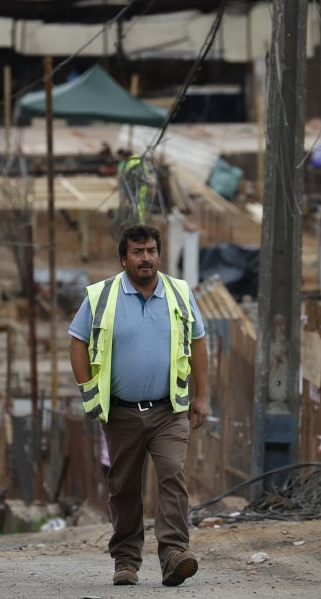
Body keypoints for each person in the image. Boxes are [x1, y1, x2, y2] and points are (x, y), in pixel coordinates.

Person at [68, 224, 209, 587]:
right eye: (137, 252)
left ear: (159, 255)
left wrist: (201, 395)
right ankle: (126, 561)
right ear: (123, 258)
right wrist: (88, 391)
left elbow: (198, 342)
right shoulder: (101, 296)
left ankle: (175, 554)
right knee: (124, 485)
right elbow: (77, 341)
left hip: (169, 410)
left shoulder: (179, 293)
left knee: (172, 475)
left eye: (150, 251)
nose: (145, 258)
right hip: (121, 413)